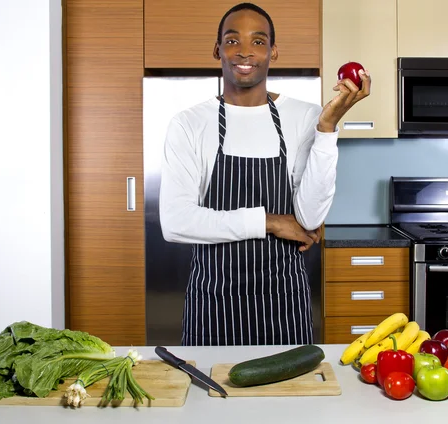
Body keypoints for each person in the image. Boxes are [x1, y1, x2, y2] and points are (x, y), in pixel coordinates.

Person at [159, 2, 370, 346]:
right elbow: (176, 222)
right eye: (232, 40)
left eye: (258, 42)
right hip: (213, 304)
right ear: (217, 51)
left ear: (273, 52)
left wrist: (328, 129)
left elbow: (309, 217)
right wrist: (270, 222)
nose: (245, 51)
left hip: (284, 304)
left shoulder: (307, 117)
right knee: (211, 397)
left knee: (290, 398)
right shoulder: (189, 123)